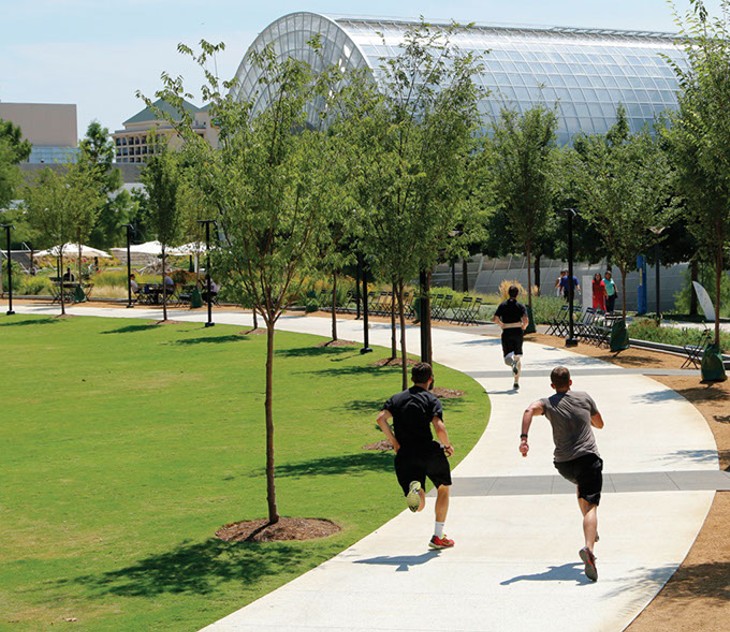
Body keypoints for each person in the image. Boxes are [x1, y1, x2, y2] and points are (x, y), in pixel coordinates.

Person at [519, 366, 605, 582]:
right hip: (588, 458)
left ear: (552, 385)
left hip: (564, 463)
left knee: (581, 487)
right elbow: (600, 423)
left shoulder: (547, 403)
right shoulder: (584, 397)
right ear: (571, 382)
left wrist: (524, 439)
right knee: (591, 505)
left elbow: (528, 410)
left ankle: (590, 529)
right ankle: (589, 548)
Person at [376, 362, 456, 550]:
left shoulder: (396, 399)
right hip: (428, 451)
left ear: (412, 378)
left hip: (405, 454)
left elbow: (381, 419)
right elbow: (439, 427)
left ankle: (416, 492)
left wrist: (394, 442)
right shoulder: (431, 399)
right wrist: (447, 445)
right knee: (443, 488)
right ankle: (438, 536)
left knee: (419, 505)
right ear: (430, 379)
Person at [493, 285, 529, 390]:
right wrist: (524, 327)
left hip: (507, 332)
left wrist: (501, 324)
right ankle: (516, 381)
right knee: (517, 357)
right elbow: (526, 320)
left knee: (507, 358)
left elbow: (495, 318)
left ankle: (512, 364)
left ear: (508, 293)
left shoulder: (503, 305)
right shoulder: (520, 306)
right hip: (518, 331)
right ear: (517, 294)